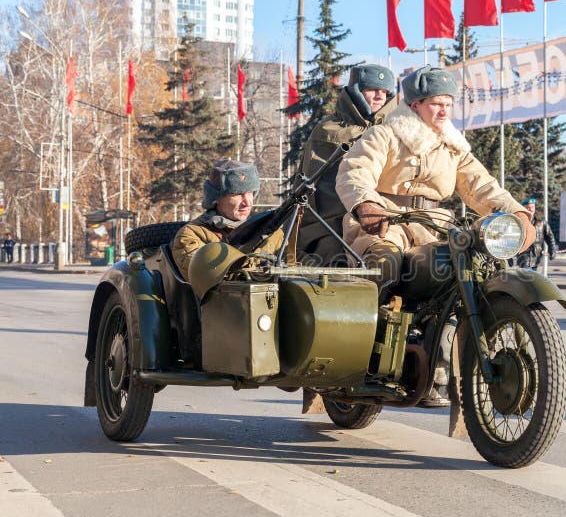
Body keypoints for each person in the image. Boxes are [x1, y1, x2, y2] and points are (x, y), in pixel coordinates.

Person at [335, 65, 536, 407]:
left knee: (464, 270)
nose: (444, 110)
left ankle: (442, 362)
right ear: (414, 105)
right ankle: (360, 355)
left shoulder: (453, 146)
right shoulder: (385, 135)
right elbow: (355, 170)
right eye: (435, 104)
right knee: (384, 264)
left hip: (434, 225)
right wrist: (367, 204)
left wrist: (515, 212)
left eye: (448, 103)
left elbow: (481, 185)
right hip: (385, 220)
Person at [298, 64, 396, 266]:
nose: (379, 96)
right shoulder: (328, 131)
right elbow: (313, 190)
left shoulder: (399, 131)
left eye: (385, 92)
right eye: (372, 90)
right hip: (334, 226)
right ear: (356, 92)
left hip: (392, 223)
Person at [172, 159, 282, 281]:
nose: (247, 202)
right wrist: (260, 263)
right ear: (216, 198)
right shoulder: (191, 235)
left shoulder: (270, 230)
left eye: (250, 193)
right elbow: (209, 276)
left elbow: (296, 260)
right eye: (238, 194)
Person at [516, 197, 557, 271]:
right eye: (528, 207)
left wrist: (552, 250)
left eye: (532, 207)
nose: (531, 209)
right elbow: (512, 238)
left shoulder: (541, 221)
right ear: (523, 208)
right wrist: (508, 256)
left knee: (532, 276)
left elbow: (549, 236)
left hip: (536, 255)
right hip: (523, 254)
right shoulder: (519, 221)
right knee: (527, 275)